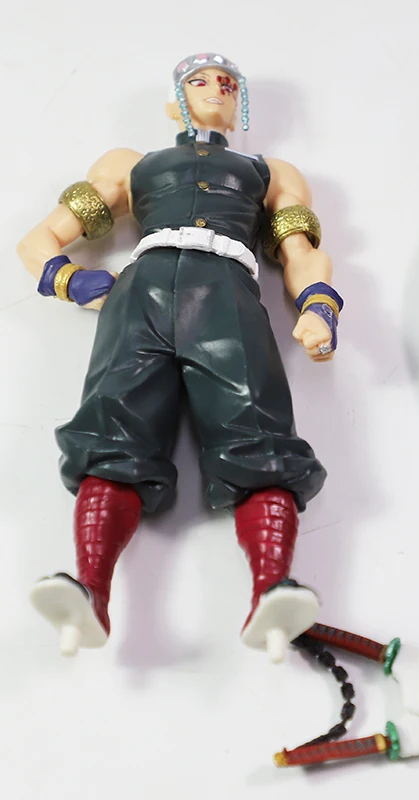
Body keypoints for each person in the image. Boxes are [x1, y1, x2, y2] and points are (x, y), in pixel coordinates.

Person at [16, 53, 342, 663]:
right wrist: (67, 278)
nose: (216, 88)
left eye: (228, 83)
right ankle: (90, 589)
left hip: (227, 290)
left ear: (240, 104)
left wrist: (319, 304)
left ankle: (272, 588)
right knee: (113, 428)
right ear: (175, 100)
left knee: (258, 430)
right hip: (141, 289)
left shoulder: (270, 173)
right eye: (200, 80)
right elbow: (39, 239)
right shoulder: (129, 166)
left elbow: (299, 251)